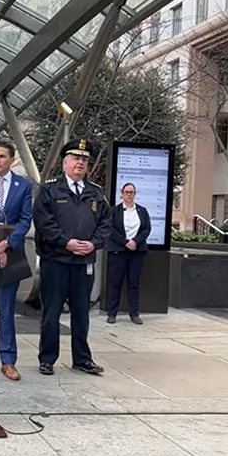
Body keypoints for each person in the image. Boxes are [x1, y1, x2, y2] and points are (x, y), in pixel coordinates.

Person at [34, 139, 111, 376]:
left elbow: (106, 225)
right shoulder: (49, 190)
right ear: (65, 162)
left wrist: (93, 244)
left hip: (83, 263)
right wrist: (66, 242)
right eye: (76, 158)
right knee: (51, 313)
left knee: (82, 313)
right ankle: (47, 358)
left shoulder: (96, 193)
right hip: (56, 261)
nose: (80, 163)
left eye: (84, 159)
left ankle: (82, 359)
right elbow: (44, 223)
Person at [0, 141, 33, 381]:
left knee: (6, 310)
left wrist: (6, 244)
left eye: (2, 156)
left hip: (10, 253)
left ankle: (8, 361)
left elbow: (25, 219)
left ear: (12, 160)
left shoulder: (23, 186)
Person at [105, 182, 152, 325]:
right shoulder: (114, 211)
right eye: (126, 192)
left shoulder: (142, 211)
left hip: (136, 252)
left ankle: (134, 314)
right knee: (115, 283)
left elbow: (146, 229)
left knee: (134, 284)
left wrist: (135, 242)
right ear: (122, 193)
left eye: (132, 192)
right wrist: (125, 242)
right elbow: (111, 230)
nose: (129, 195)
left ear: (135, 194)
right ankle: (112, 313)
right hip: (118, 251)